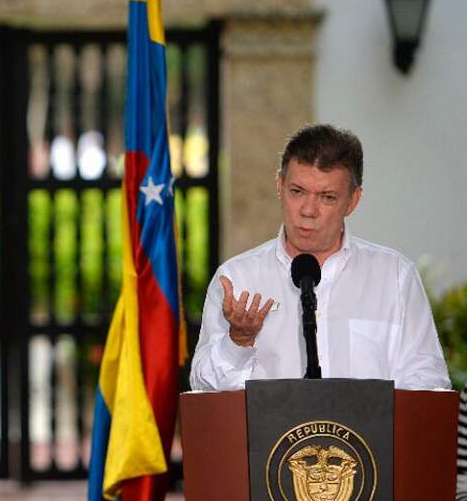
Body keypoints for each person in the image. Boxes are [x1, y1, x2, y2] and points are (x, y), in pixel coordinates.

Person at [190, 124, 450, 391]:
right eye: (297, 191)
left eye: (326, 197)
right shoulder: (238, 278)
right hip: (267, 433)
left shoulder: (394, 276)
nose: (308, 210)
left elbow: (428, 384)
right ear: (280, 186)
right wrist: (238, 341)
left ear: (352, 200)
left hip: (368, 432)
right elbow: (204, 391)